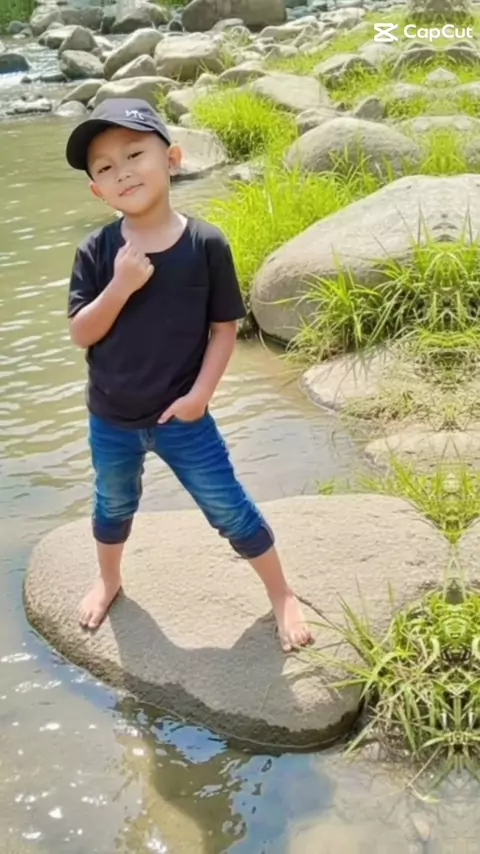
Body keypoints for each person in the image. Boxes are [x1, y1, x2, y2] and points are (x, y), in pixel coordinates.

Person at [65, 97, 313, 653]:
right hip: (111, 418)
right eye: (105, 167)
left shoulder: (206, 244)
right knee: (113, 503)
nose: (123, 171)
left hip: (184, 416)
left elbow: (224, 329)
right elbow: (82, 332)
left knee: (228, 507)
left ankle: (281, 593)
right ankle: (109, 579)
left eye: (135, 154)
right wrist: (120, 285)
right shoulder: (97, 251)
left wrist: (200, 396)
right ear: (97, 191)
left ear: (173, 159)